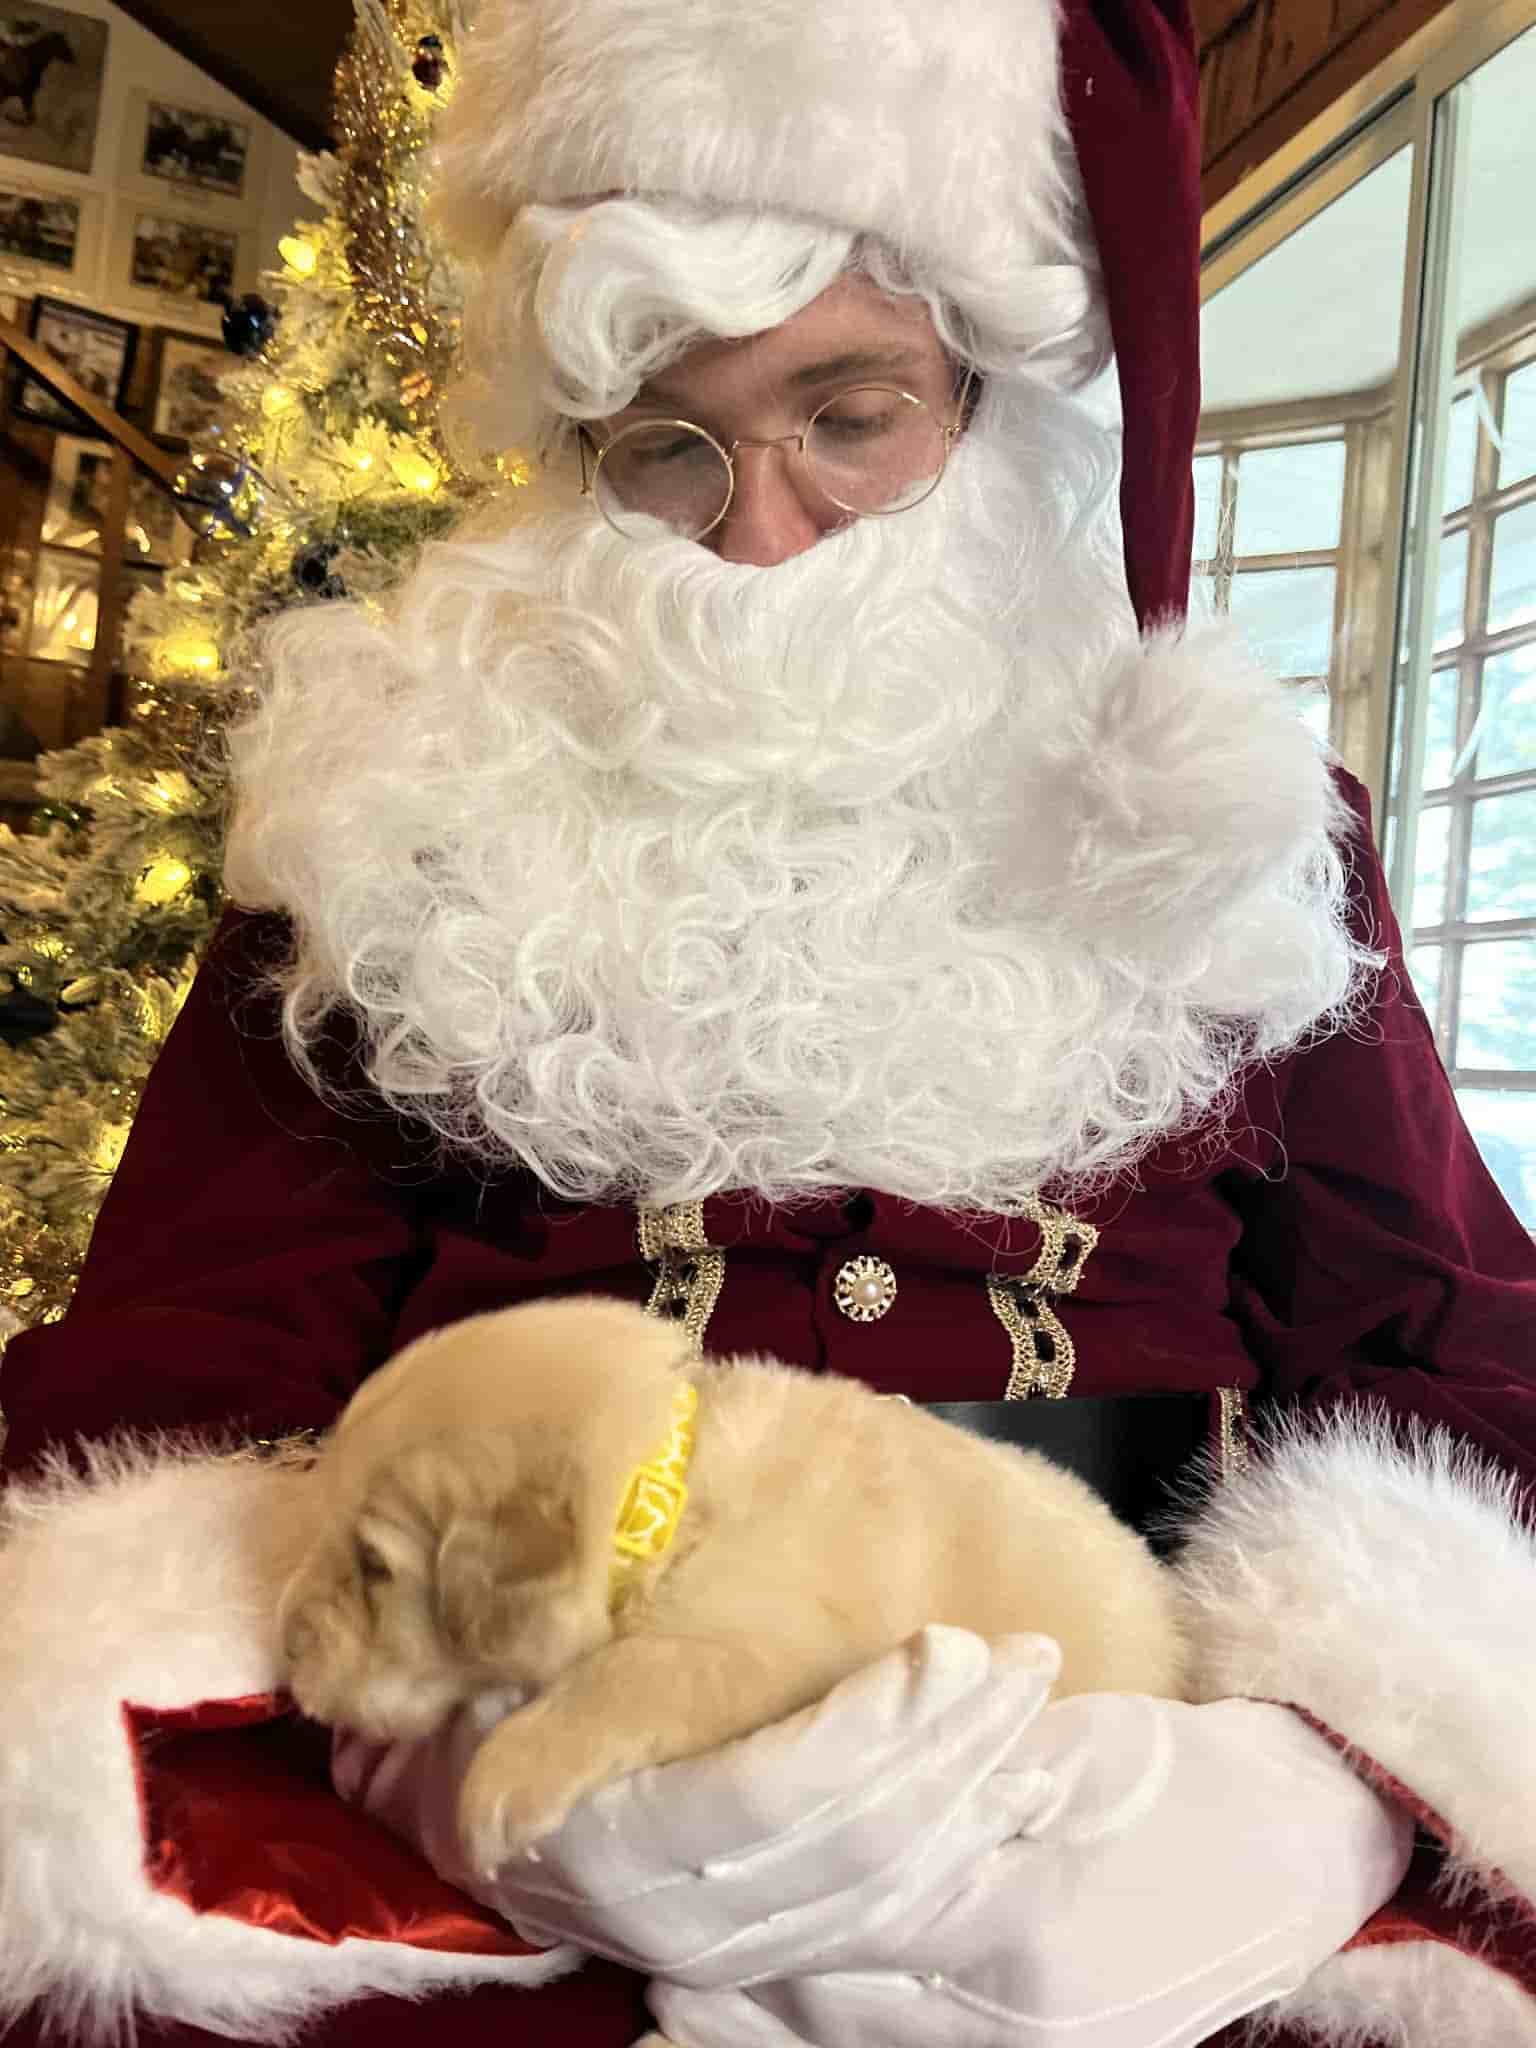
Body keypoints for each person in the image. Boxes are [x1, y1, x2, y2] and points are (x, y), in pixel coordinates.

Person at [1, 0, 1535, 2043]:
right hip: (524, 1733)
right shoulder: (387, 822)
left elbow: (1443, 1336)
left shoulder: (1244, 827)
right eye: (668, 442)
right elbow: (174, 1372)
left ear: (987, 402)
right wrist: (427, 1759)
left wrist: (1327, 1787)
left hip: (1145, 1740)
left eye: (849, 413)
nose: (758, 529)